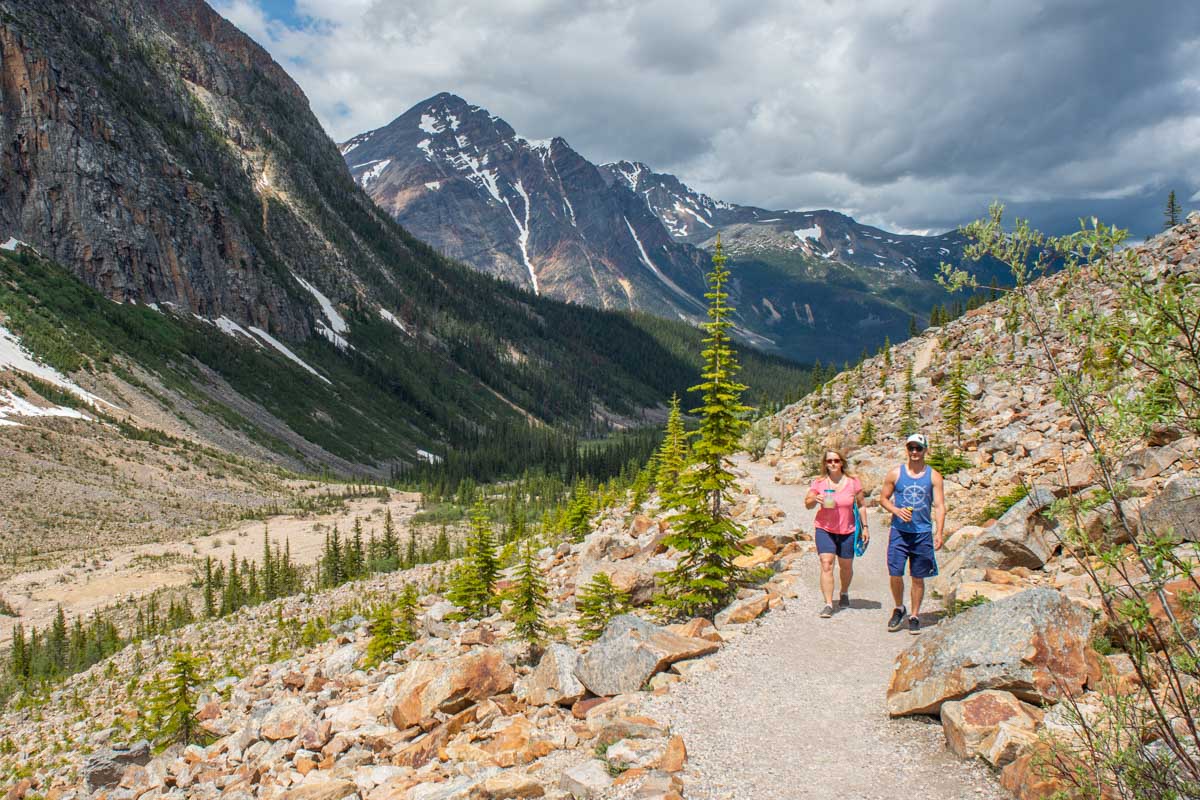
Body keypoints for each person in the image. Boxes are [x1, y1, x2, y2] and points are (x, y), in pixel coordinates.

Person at [878, 433, 945, 634]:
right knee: (895, 572)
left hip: (922, 532)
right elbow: (883, 498)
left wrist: (939, 532)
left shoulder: (933, 476)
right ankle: (899, 608)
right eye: (911, 448)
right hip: (899, 531)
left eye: (918, 448)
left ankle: (914, 615)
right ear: (906, 450)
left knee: (918, 576)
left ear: (925, 450)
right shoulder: (895, 474)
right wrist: (896, 511)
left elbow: (940, 505)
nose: (914, 452)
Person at [804, 448, 869, 618]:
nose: (833, 464)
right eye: (829, 461)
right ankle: (828, 603)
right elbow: (807, 503)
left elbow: (861, 505)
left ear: (842, 462)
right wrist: (814, 499)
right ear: (825, 464)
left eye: (836, 460)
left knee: (846, 566)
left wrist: (865, 527)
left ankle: (844, 592)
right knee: (826, 563)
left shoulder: (853, 482)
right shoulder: (819, 482)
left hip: (847, 530)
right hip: (824, 528)